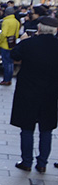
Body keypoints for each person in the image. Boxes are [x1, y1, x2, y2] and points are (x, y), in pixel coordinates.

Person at [10, 17, 58, 173]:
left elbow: (14, 56)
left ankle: (27, 161)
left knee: (27, 128)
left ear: (39, 29)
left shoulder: (28, 43)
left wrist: (22, 40)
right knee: (46, 129)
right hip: (50, 93)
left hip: (28, 92)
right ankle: (42, 163)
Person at [0, 6, 20, 86]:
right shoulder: (16, 21)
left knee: (6, 63)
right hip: (12, 43)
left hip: (5, 44)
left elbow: (3, 33)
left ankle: (6, 79)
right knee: (10, 63)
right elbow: (17, 34)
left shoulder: (6, 21)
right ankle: (9, 79)